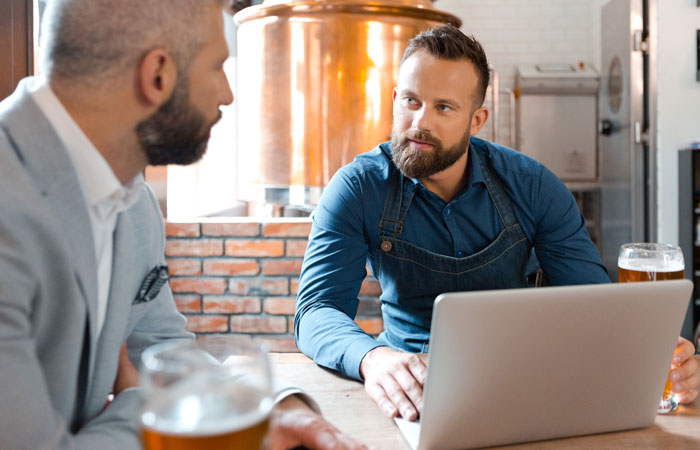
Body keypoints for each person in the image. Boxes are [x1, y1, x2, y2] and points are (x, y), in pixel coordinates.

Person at [0, 0, 366, 449]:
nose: (227, 93)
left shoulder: (131, 201)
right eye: (217, 66)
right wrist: (139, 402)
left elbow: (166, 349)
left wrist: (268, 404)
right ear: (158, 75)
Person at [295, 24, 700, 422]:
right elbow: (315, 310)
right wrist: (373, 358)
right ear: (395, 98)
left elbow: (593, 306)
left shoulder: (533, 186)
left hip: (523, 383)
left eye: (444, 107)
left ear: (477, 120)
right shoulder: (357, 187)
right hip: (408, 389)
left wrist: (656, 357)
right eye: (411, 101)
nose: (420, 122)